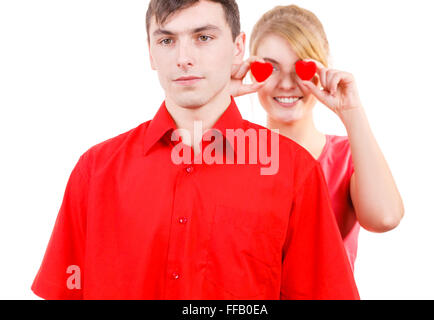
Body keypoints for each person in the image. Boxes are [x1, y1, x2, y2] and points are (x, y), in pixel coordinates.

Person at [31, 0, 359, 299]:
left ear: (237, 48)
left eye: (203, 38)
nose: (184, 57)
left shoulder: (294, 172)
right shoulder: (96, 170)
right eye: (167, 40)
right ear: (150, 53)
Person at [231, 4, 405, 271]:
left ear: (322, 71)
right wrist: (218, 100)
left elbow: (384, 218)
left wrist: (351, 110)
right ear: (252, 71)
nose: (287, 84)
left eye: (301, 68)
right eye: (271, 68)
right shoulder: (233, 153)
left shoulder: (347, 156)